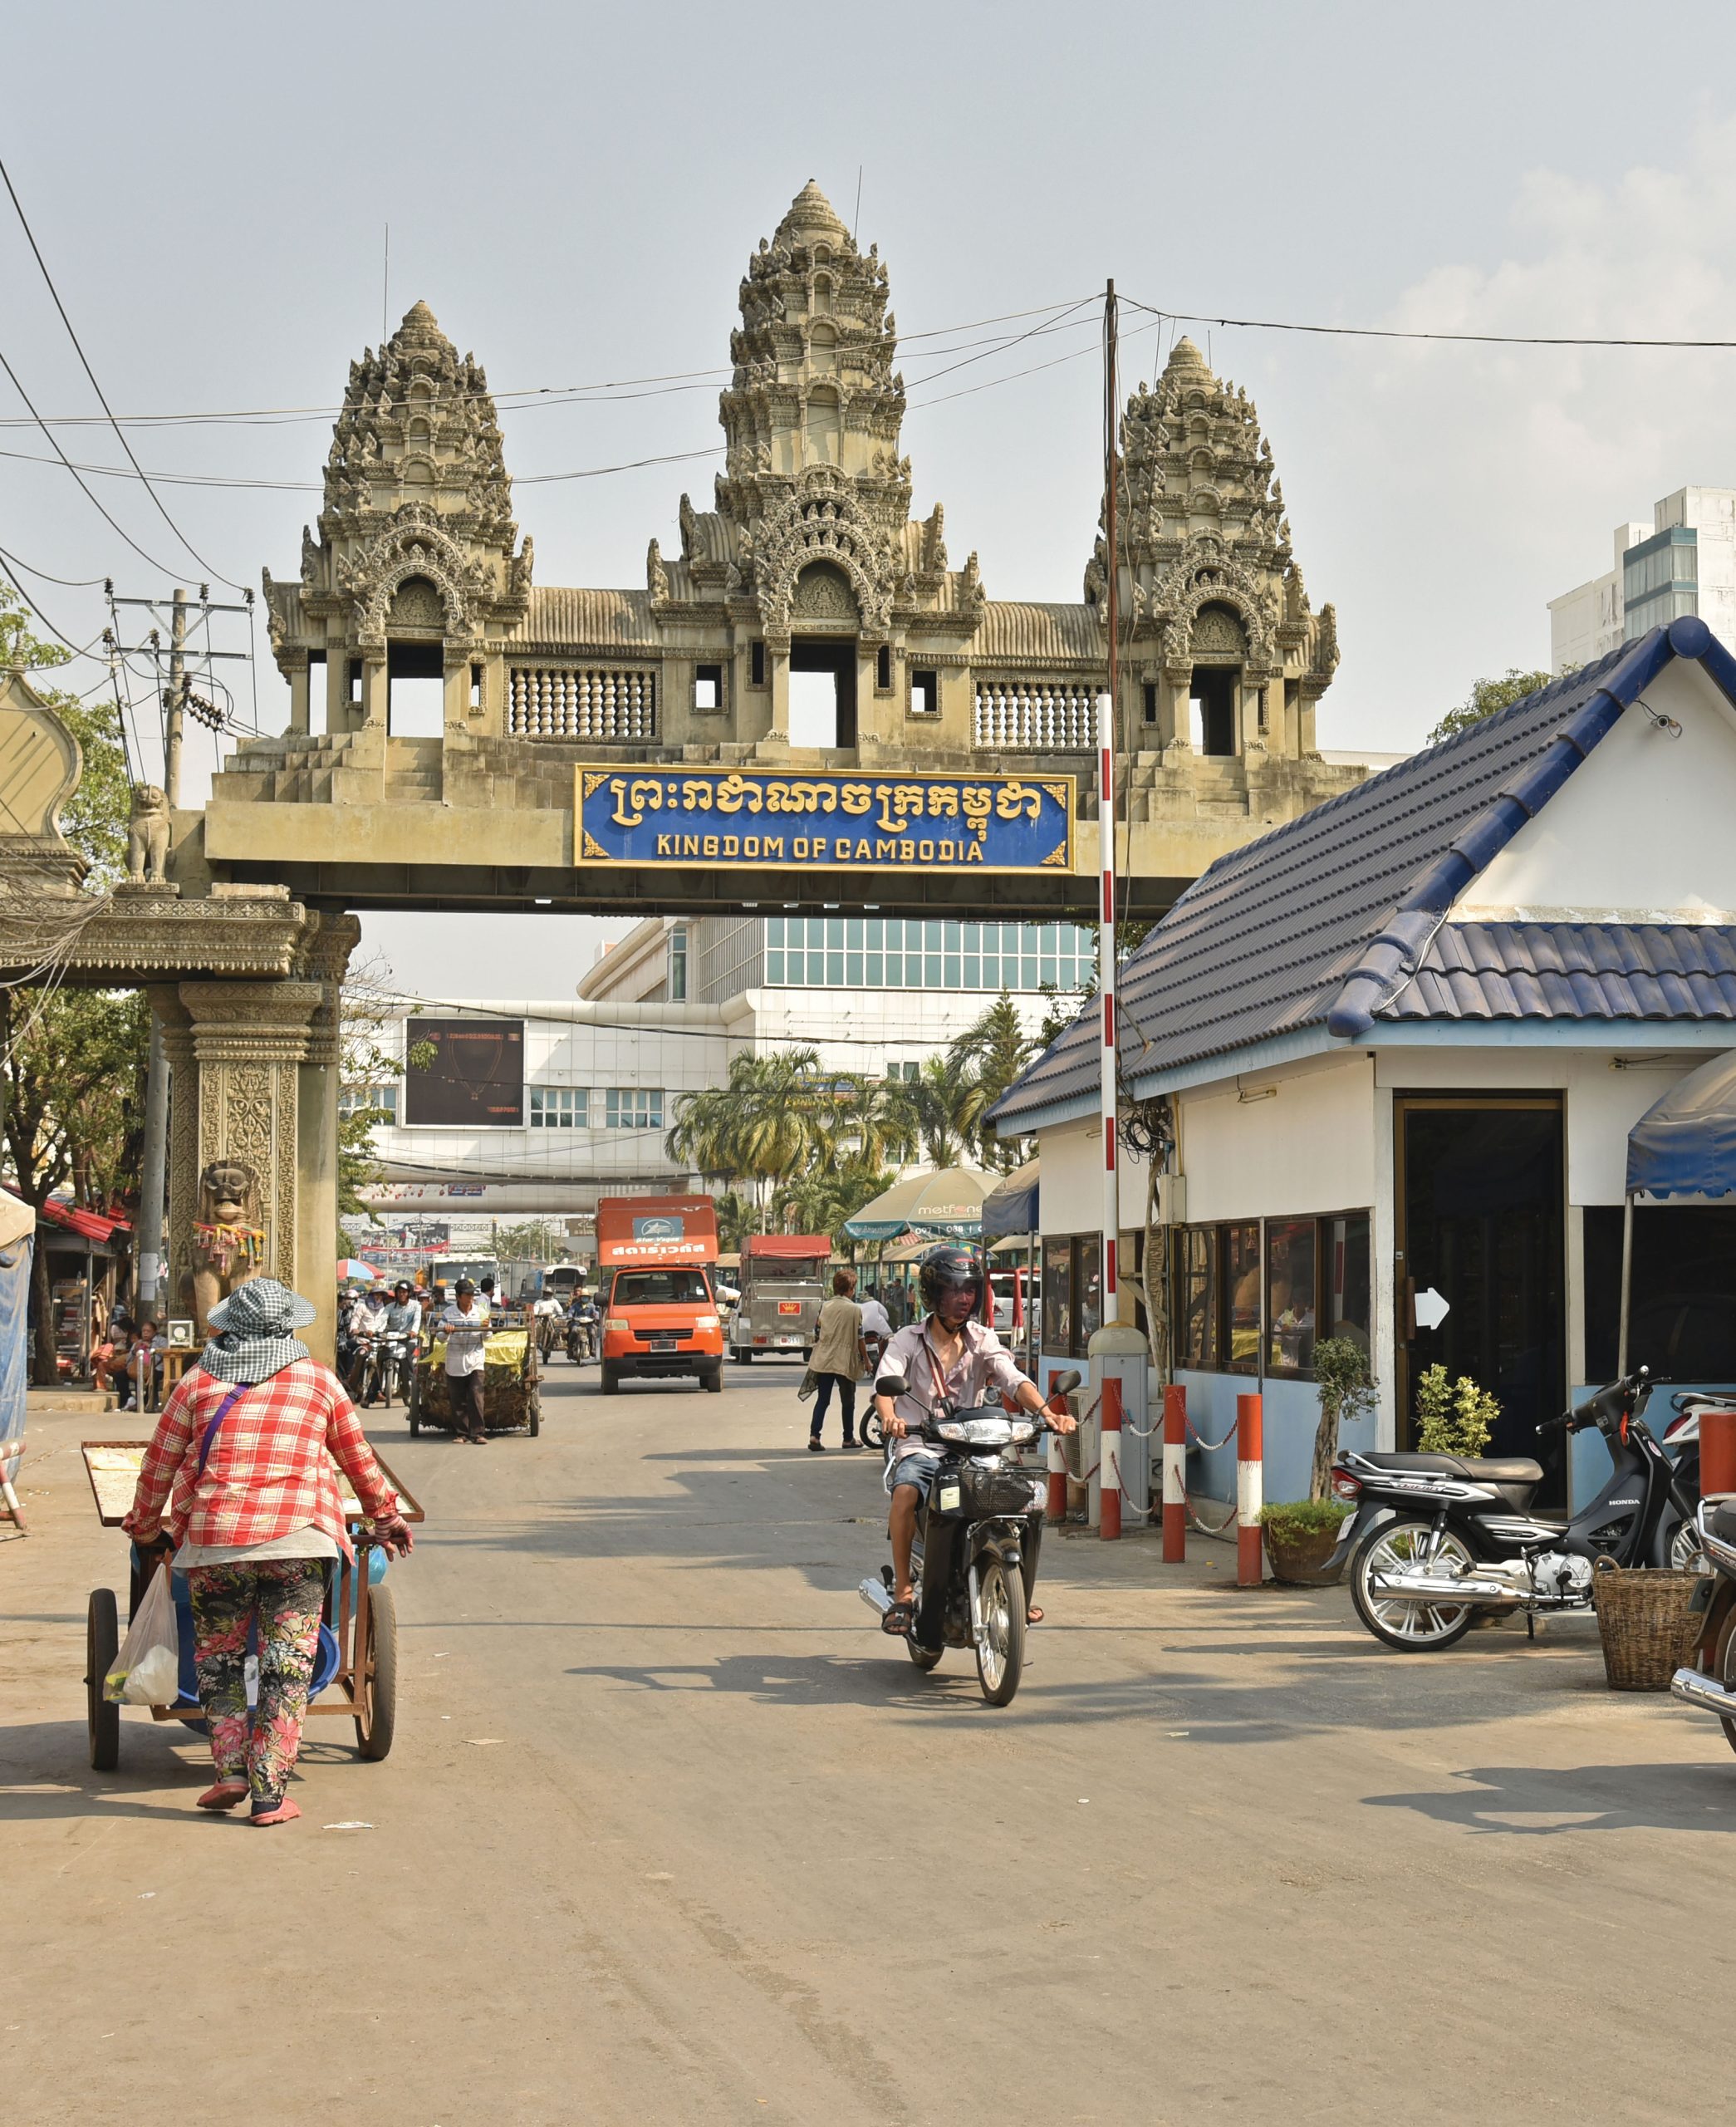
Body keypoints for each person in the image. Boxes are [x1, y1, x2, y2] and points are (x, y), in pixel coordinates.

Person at [120, 1277, 413, 1826]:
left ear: (231, 1326)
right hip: (300, 1543)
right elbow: (358, 1459)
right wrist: (386, 1516)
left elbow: (157, 1467)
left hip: (215, 1545)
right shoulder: (319, 1383)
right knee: (286, 1664)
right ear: (287, 1328)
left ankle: (229, 1771)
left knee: (220, 1659)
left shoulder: (196, 1384)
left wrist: (143, 1529)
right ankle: (269, 1795)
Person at [874, 1244, 1075, 1637]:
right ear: (934, 1295)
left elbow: (1013, 1378)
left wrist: (1047, 1413)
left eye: (969, 1290)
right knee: (905, 1495)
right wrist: (890, 1418)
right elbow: (886, 1385)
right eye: (953, 1290)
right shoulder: (907, 1340)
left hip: (976, 1449)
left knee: (1026, 1502)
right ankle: (903, 1590)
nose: (963, 1298)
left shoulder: (983, 1338)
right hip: (923, 1446)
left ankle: (1017, 1588)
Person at [807, 1269, 868, 1452]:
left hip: (824, 1359)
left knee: (823, 1400)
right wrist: (867, 1360)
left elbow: (817, 1331)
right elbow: (860, 1338)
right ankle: (848, 1438)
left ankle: (814, 1436)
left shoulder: (825, 1306)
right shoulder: (855, 1310)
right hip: (844, 1360)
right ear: (851, 1288)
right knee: (848, 1401)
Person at [439, 1276, 490, 1442]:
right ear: (458, 1296)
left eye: (472, 1295)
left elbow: (488, 1336)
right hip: (455, 1361)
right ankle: (462, 1434)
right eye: (467, 1295)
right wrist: (446, 1331)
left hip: (475, 1359)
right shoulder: (449, 1313)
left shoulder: (480, 1311)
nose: (471, 1298)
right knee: (458, 1400)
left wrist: (485, 1328)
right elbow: (440, 1337)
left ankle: (478, 1433)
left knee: (476, 1396)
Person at [857, 1286, 893, 1378]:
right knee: (890, 1343)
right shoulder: (876, 1303)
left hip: (864, 1332)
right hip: (881, 1331)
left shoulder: (856, 1306)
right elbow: (886, 1316)